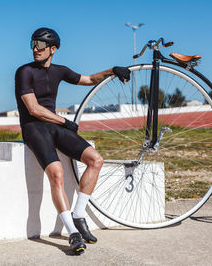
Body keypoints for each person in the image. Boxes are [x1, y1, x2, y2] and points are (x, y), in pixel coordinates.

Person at [15, 27, 130, 255]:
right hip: (34, 128)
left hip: (55, 126)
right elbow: (34, 108)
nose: (35, 49)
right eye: (32, 44)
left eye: (39, 45)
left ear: (53, 49)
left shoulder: (59, 71)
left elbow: (88, 79)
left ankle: (78, 215)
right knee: (57, 174)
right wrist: (65, 121)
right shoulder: (24, 72)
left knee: (96, 160)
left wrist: (113, 71)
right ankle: (73, 234)